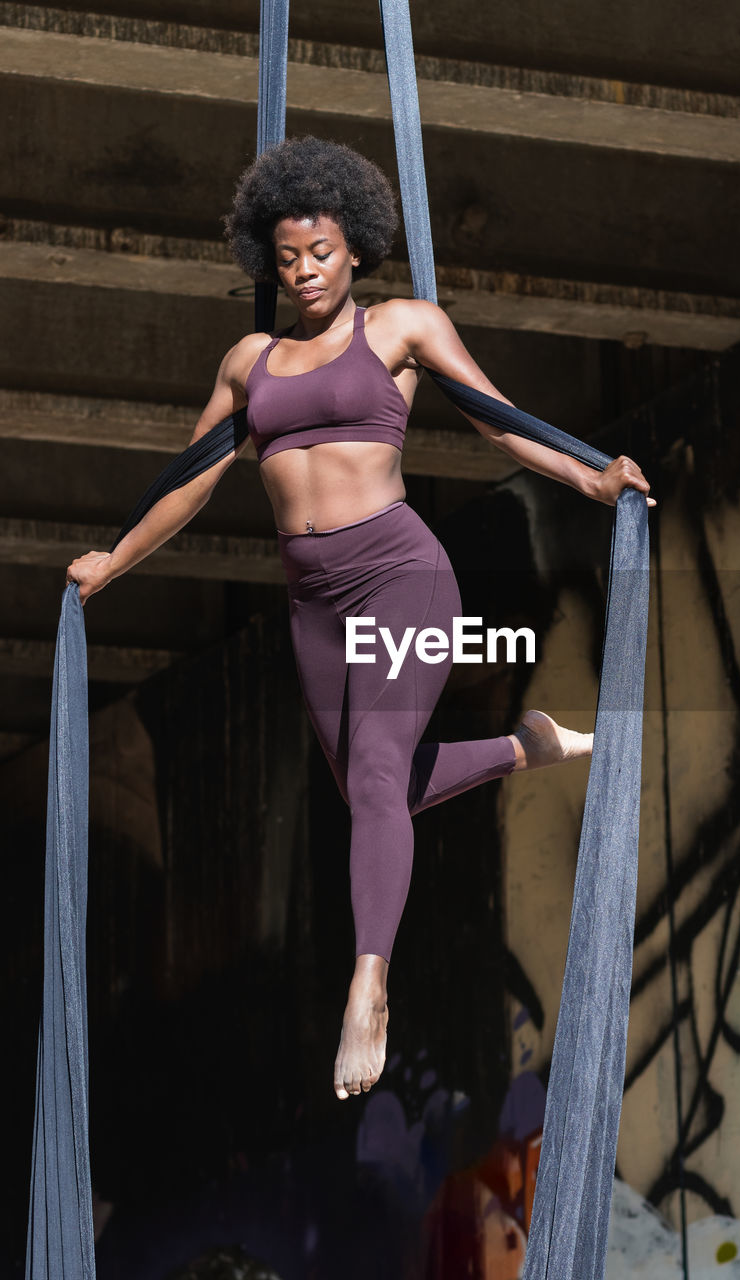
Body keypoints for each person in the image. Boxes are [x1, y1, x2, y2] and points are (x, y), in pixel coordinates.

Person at [66, 136, 654, 1102]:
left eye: (322, 253)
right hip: (312, 607)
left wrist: (589, 475)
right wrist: (114, 562)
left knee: (379, 774)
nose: (304, 273)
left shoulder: (402, 328)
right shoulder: (249, 361)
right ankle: (524, 747)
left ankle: (368, 986)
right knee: (374, 792)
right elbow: (191, 480)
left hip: (398, 576)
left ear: (356, 247)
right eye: (288, 258)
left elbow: (495, 416)